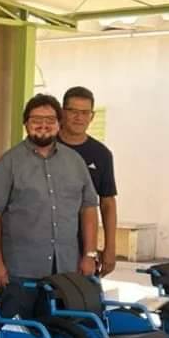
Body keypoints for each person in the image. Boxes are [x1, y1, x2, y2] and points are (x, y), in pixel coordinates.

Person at [0, 94, 99, 319]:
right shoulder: (9, 163)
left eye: (50, 119)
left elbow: (89, 209)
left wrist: (90, 254)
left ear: (59, 123)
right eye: (36, 119)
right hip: (19, 273)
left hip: (66, 271)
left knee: (63, 334)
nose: (43, 125)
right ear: (26, 123)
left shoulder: (75, 162)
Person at [58, 86, 118, 276]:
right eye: (73, 111)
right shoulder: (46, 146)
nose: (79, 118)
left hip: (84, 247)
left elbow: (107, 202)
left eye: (85, 113)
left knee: (80, 301)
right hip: (43, 244)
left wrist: (109, 247)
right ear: (62, 113)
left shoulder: (101, 154)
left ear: (92, 116)